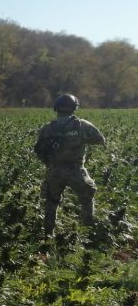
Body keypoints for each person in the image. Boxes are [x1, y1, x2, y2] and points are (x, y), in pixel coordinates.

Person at [34, 93, 105, 237]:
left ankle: (48, 236)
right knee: (86, 199)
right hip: (77, 171)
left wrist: (49, 163)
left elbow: (39, 150)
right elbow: (100, 140)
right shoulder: (81, 125)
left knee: (51, 202)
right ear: (74, 108)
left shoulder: (48, 128)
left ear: (56, 109)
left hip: (54, 170)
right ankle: (88, 234)